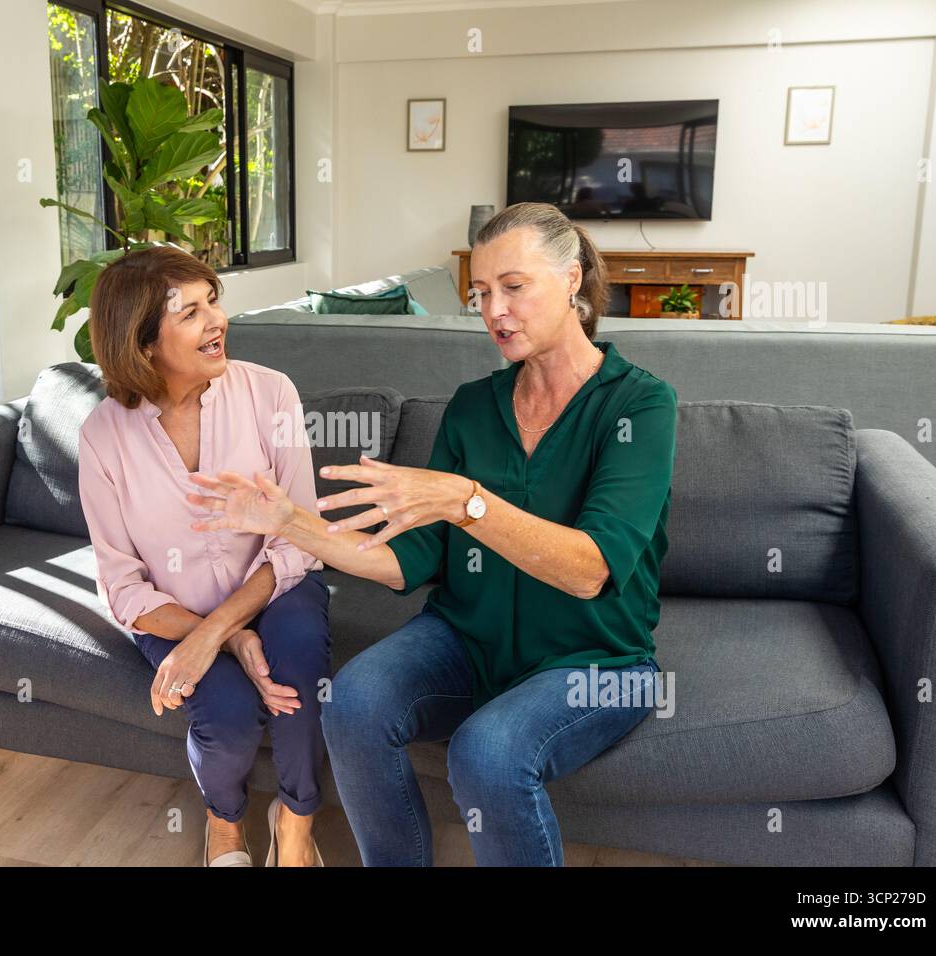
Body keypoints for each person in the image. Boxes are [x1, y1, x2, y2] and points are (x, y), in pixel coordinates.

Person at [188, 202, 677, 866]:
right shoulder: (475, 406)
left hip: (596, 659)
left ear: (570, 280)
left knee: (489, 751)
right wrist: (291, 523)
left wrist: (466, 500)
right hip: (468, 641)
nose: (493, 310)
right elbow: (406, 560)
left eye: (513, 286)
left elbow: (590, 568)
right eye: (479, 293)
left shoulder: (639, 405)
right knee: (353, 704)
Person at [77, 244, 330, 867]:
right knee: (226, 710)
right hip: (173, 612)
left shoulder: (270, 394)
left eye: (213, 300)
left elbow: (300, 532)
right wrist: (218, 638)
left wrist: (226, 628)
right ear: (143, 344)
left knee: (296, 671)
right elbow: (123, 584)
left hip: (279, 584)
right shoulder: (103, 435)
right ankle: (225, 823)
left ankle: (296, 822)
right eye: (191, 312)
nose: (217, 320)